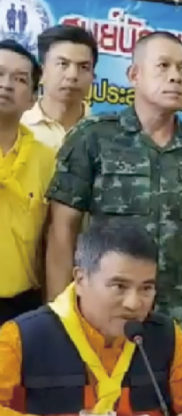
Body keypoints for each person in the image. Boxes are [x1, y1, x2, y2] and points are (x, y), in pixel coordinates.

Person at [44, 31, 182, 357]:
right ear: (134, 75)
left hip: (179, 323)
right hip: (105, 319)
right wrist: (61, 318)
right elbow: (62, 231)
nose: (176, 77)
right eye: (163, 66)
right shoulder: (94, 137)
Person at [0, 220, 182, 416]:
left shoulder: (165, 335)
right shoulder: (21, 337)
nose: (134, 303)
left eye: (146, 288)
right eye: (119, 286)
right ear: (80, 280)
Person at [0, 40, 54, 324]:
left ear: (33, 98)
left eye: (20, 79)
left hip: (20, 309)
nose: (6, 85)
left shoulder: (47, 159)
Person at [21, 25, 97, 150]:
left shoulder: (102, 132)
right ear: (41, 72)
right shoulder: (17, 126)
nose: (72, 75)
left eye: (84, 67)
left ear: (93, 76)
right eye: (63, 64)